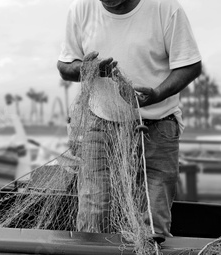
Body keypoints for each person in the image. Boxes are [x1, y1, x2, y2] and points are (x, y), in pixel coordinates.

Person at [57, 0, 202, 241]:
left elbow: (190, 65)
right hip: (100, 125)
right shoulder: (80, 8)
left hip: (157, 125)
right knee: (93, 215)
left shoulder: (165, 8)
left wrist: (156, 94)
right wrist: (87, 68)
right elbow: (64, 65)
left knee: (152, 224)